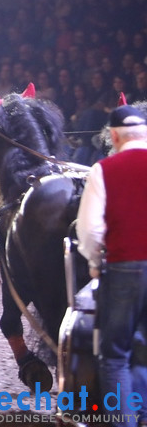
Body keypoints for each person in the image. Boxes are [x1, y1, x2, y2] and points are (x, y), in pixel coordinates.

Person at [76, 104, 147, 426]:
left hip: (124, 268)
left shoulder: (103, 169)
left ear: (114, 136)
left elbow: (90, 230)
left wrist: (94, 262)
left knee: (115, 356)